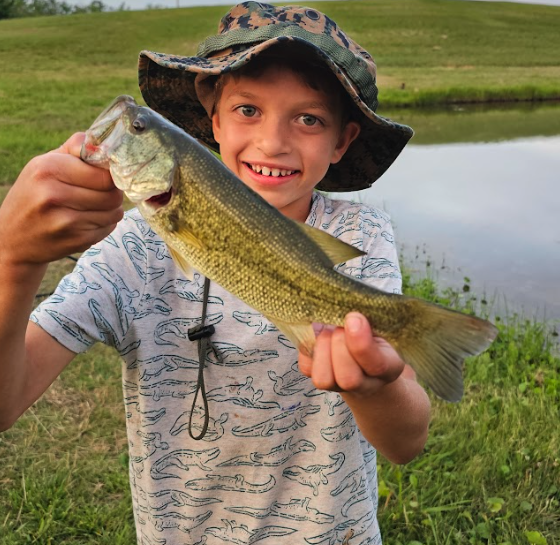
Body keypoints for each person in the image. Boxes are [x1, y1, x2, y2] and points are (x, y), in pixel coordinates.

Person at [0, 2, 431, 543]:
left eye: (309, 119)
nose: (273, 142)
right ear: (213, 117)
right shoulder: (133, 249)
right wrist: (13, 260)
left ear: (342, 141)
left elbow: (406, 441)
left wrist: (373, 388)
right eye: (248, 110)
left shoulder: (360, 239)